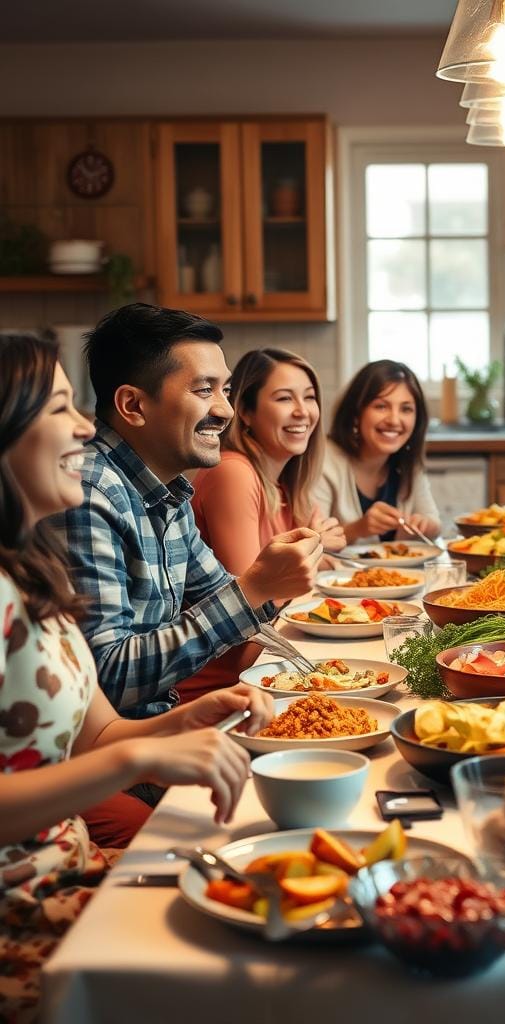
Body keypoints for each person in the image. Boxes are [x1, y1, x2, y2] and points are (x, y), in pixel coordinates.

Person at [0, 334, 273, 1021]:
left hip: (66, 872)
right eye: (60, 408)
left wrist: (179, 725)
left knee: (273, 916)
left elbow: (101, 731)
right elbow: (117, 748)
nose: (87, 428)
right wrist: (140, 755)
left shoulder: (31, 575)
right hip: (21, 917)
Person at [49, 303, 324, 722]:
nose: (225, 411)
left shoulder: (167, 492)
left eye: (226, 390)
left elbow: (227, 602)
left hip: (165, 725)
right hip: (123, 751)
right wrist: (256, 588)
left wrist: (268, 587)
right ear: (133, 406)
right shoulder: (90, 492)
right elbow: (108, 679)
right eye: (203, 390)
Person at [182, 348, 346, 702]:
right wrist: (313, 556)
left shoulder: (285, 485)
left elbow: (307, 570)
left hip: (262, 670)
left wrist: (311, 558)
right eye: (285, 398)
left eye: (310, 397)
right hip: (220, 689)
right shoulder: (233, 474)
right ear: (245, 411)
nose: (303, 412)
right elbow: (249, 616)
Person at [315, 359, 440, 543]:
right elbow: (313, 541)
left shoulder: (408, 461)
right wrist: (358, 528)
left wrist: (424, 525)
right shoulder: (322, 462)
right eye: (381, 406)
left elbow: (434, 524)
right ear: (356, 412)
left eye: (406, 409)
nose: (394, 420)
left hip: (398, 572)